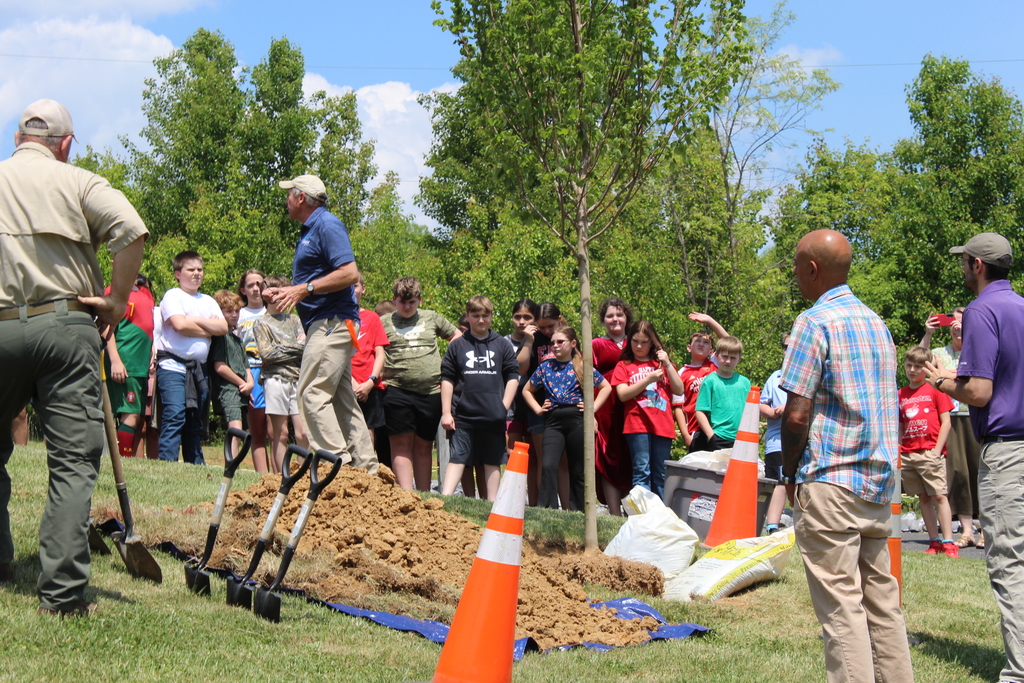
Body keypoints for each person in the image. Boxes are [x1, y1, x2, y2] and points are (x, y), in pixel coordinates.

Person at [0, 98, 147, 614]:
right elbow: (131, 229)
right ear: (64, 145)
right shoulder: (79, 181)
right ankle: (61, 595)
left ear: (17, 140)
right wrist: (116, 299)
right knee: (71, 462)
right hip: (65, 326)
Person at [780, 229, 913, 683]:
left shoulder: (813, 322)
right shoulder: (878, 323)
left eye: (796, 267)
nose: (795, 276)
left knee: (841, 613)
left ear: (812, 269)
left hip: (832, 480)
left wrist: (790, 472)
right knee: (882, 605)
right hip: (877, 484)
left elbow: (797, 415)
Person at [925, 232, 1024, 683]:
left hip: (1007, 453)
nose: (962, 269)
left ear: (977, 266)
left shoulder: (984, 310)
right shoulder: (1020, 306)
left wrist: (941, 381)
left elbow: (980, 392)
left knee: (1010, 562)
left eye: (964, 262)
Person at [264, 174, 377, 475]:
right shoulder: (311, 230)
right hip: (332, 324)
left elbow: (350, 273)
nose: (286, 200)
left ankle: (335, 466)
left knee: (310, 392)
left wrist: (304, 289)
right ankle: (368, 470)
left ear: (301, 198)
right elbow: (315, 280)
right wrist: (288, 291)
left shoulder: (326, 225)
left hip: (332, 323)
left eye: (289, 194)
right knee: (341, 400)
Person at [380, 277, 460, 491]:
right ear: (394, 300)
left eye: (412, 302)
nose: (407, 307)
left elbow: (457, 337)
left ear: (420, 300)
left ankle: (424, 495)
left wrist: (448, 369)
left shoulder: (432, 317)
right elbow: (372, 350)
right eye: (402, 302)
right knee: (400, 445)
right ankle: (406, 494)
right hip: (396, 390)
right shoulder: (384, 322)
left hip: (431, 391)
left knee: (424, 446)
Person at [439, 296, 519, 501]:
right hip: (463, 415)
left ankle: (493, 503)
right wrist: (446, 413)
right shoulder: (457, 346)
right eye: (476, 316)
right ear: (468, 317)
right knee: (458, 458)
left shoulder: (502, 344)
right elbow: (447, 378)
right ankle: (445, 500)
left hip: (493, 415)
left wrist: (503, 406)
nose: (481, 320)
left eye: (485, 315)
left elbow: (512, 376)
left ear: (492, 316)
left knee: (492, 460)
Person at [524, 325, 611, 510]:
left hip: (577, 419)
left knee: (578, 468)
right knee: (548, 465)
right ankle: (546, 508)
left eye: (560, 342)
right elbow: (527, 390)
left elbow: (606, 387)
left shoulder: (582, 365)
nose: (555, 346)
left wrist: (592, 408)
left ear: (572, 343)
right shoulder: (545, 367)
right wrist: (538, 409)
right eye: (552, 343)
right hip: (553, 420)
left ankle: (579, 510)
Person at [155, 250, 227, 465]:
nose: (197, 273)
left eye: (200, 269)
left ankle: (194, 466)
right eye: (191, 269)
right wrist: (207, 328)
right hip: (172, 366)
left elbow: (223, 327)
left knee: (194, 421)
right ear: (178, 273)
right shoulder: (173, 296)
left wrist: (193, 320)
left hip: (199, 370)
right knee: (175, 415)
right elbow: (179, 325)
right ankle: (167, 465)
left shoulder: (208, 301)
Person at [921, 307, 983, 549]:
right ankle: (967, 530)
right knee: (958, 474)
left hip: (976, 415)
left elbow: (971, 376)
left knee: (980, 471)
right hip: (949, 417)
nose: (957, 327)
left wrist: (944, 374)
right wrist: (928, 334)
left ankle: (986, 529)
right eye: (954, 322)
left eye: (962, 322)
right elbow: (920, 363)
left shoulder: (978, 349)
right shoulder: (939, 352)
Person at [611, 320, 684, 498]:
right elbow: (623, 395)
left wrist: (666, 363)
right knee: (641, 470)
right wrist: (648, 380)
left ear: (652, 342)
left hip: (663, 424)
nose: (639, 346)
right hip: (637, 424)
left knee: (660, 473)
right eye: (635, 341)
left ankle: (660, 514)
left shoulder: (661, 364)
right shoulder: (624, 365)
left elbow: (679, 389)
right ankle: (641, 515)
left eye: (644, 342)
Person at [899, 346, 957, 557]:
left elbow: (946, 423)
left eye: (918, 366)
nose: (912, 370)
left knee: (939, 496)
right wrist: (899, 449)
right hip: (908, 453)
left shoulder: (936, 390)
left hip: (930, 451)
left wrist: (937, 450)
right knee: (923, 497)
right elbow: (901, 425)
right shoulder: (901, 394)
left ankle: (949, 541)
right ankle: (934, 541)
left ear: (927, 368)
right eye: (909, 365)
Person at [253, 275, 308, 473]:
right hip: (275, 380)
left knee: (303, 433)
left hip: (298, 379)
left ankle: (303, 475)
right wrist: (297, 345)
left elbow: (305, 347)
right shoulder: (261, 323)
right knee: (280, 433)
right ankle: (282, 476)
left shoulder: (294, 320)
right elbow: (267, 354)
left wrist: (287, 347)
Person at [104, 273, 155, 458]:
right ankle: (123, 461)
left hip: (141, 366)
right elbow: (106, 329)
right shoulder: (113, 293)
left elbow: (149, 326)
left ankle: (126, 459)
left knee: (136, 416)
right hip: (126, 363)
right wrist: (116, 361)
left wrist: (152, 351)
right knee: (129, 414)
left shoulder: (145, 295)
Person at [592, 297, 633, 516]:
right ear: (603, 320)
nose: (615, 319)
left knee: (630, 457)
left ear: (627, 317)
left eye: (619, 314)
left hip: (630, 409)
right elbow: (584, 378)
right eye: (609, 315)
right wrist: (592, 413)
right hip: (605, 408)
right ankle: (615, 513)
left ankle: (632, 510)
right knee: (608, 459)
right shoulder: (596, 344)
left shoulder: (636, 342)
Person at [505, 299, 544, 505]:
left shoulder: (544, 340)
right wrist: (527, 342)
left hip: (533, 402)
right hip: (512, 403)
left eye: (527, 317)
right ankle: (512, 502)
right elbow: (519, 369)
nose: (521, 322)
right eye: (517, 317)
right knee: (513, 453)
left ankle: (535, 504)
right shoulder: (504, 342)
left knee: (536, 457)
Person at [672, 313, 728, 452]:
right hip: (695, 429)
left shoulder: (714, 363)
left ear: (712, 351)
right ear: (689, 347)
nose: (702, 344)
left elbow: (729, 342)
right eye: (698, 341)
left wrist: (709, 320)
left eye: (706, 342)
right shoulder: (681, 373)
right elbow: (678, 407)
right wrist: (685, 435)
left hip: (720, 426)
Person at [209, 290, 254, 459]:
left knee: (241, 430)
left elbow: (246, 367)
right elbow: (220, 366)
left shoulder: (237, 340)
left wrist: (249, 383)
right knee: (235, 428)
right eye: (229, 311)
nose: (234, 314)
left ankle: (234, 462)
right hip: (227, 389)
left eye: (237, 310)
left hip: (241, 390)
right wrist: (241, 383)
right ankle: (231, 465)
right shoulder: (220, 337)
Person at [235, 269, 270, 473]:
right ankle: (262, 477)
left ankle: (280, 475)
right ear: (243, 290)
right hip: (251, 373)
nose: (256, 288)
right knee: (257, 431)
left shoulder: (272, 311)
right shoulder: (238, 315)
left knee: (276, 430)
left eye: (260, 284)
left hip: (273, 373)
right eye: (251, 285)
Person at [691, 336, 750, 452]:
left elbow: (751, 412)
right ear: (716, 355)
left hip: (741, 438)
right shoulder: (710, 381)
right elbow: (700, 411)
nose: (728, 361)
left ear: (739, 360)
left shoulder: (745, 382)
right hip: (718, 437)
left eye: (733, 358)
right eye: (725, 356)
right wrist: (711, 436)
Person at [351, 272, 389, 450]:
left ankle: (367, 474)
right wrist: (352, 383)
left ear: (363, 289)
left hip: (370, 386)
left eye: (355, 285)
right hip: (345, 384)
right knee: (346, 430)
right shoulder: (336, 318)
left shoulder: (372, 318)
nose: (351, 290)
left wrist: (370, 382)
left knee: (368, 430)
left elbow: (380, 353)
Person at [760, 336, 789, 535]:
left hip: (803, 442)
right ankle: (771, 526)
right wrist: (770, 412)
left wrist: (790, 408)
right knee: (776, 482)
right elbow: (762, 403)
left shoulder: (809, 376)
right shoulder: (775, 377)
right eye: (786, 347)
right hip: (776, 441)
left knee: (795, 484)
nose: (789, 351)